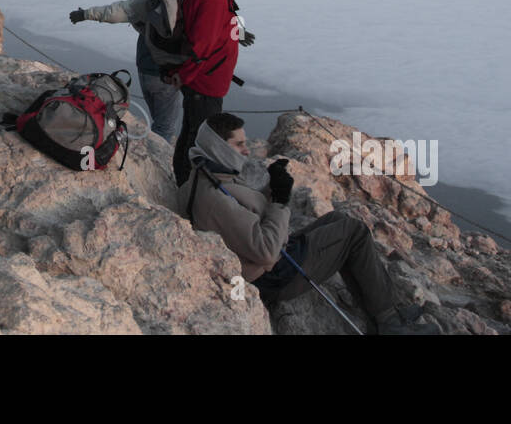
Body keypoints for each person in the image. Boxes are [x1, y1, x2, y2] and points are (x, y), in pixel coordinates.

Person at [179, 113, 436, 334]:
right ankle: (390, 323)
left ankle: (383, 311)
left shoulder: (207, 176)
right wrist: (280, 201)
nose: (246, 151)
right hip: (273, 275)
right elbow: (266, 251)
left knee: (338, 219)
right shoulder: (214, 197)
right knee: (353, 232)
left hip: (266, 258)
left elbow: (243, 214)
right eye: (239, 145)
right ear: (220, 148)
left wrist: (271, 187)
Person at [68, 0, 189, 144]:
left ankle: (153, 150)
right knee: (165, 126)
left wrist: (85, 14)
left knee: (159, 119)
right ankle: (160, 162)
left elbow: (116, 12)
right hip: (170, 71)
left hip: (145, 68)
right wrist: (237, 33)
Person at [171, 0, 254, 186]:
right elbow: (201, 44)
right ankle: (188, 191)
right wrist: (183, 76)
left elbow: (214, 29)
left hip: (206, 82)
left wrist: (236, 34)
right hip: (204, 84)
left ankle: (183, 185)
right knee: (199, 142)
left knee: (191, 134)